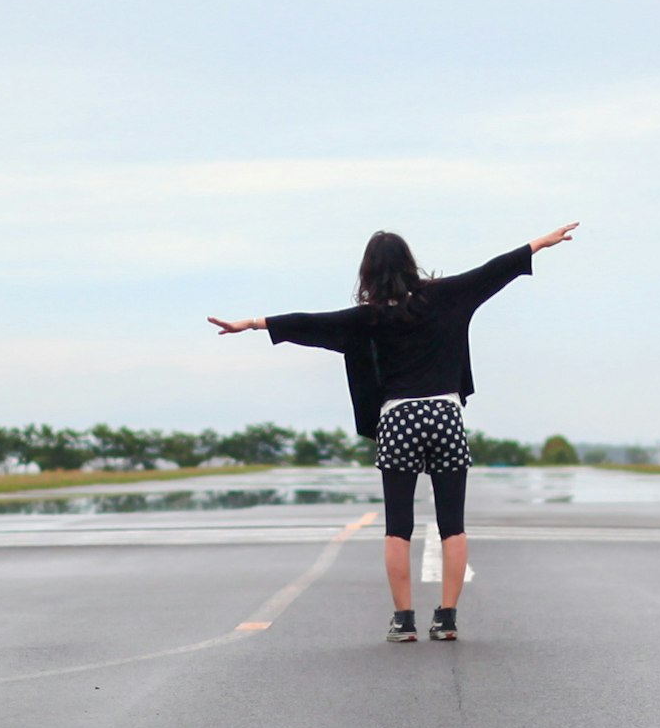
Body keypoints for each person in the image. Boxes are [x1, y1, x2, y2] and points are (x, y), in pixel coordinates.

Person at [212, 222, 579, 643]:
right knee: (452, 526)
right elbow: (494, 270)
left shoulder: (366, 318)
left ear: (367, 274)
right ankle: (447, 619)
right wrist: (538, 243)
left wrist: (255, 323)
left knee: (397, 527)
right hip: (445, 414)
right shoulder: (448, 296)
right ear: (410, 263)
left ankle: (404, 620)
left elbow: (310, 324)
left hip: (398, 421)